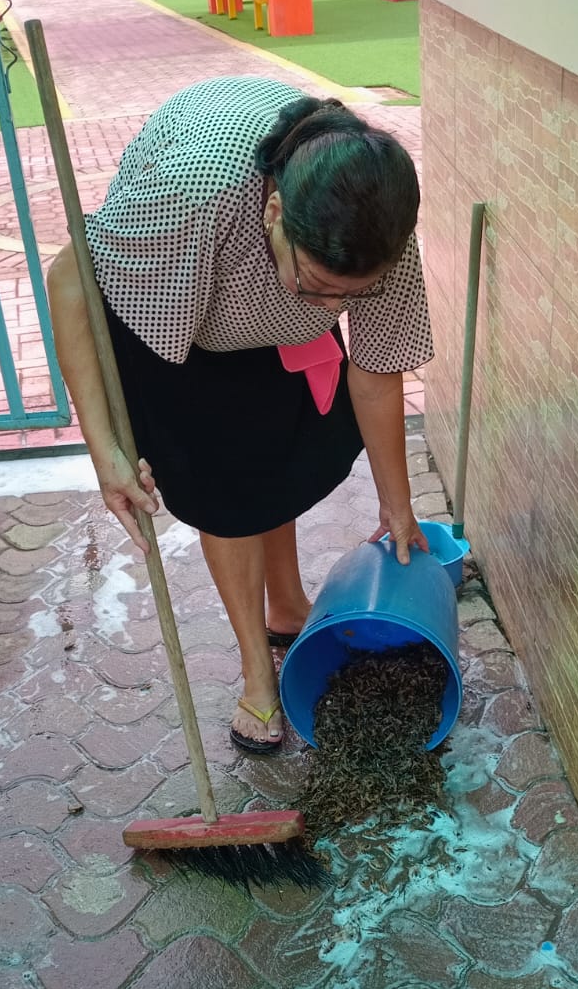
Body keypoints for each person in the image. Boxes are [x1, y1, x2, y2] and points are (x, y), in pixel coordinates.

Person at [48, 77, 434, 754]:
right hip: (173, 307)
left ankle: (287, 608)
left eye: (350, 297)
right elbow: (68, 278)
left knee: (276, 460)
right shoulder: (193, 195)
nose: (331, 311)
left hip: (262, 314)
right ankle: (258, 672)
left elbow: (376, 367)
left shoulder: (375, 223)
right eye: (319, 287)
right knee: (227, 494)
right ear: (275, 212)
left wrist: (397, 505)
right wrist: (106, 451)